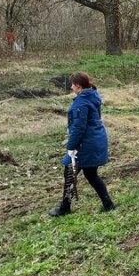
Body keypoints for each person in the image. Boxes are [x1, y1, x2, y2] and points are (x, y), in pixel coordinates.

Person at [49, 72, 114, 217]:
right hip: (95, 139)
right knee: (91, 174)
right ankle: (108, 204)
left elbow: (79, 128)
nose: (71, 87)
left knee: (70, 173)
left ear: (78, 86)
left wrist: (71, 147)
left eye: (72, 85)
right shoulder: (92, 96)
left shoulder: (81, 102)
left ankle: (65, 207)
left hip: (86, 144)